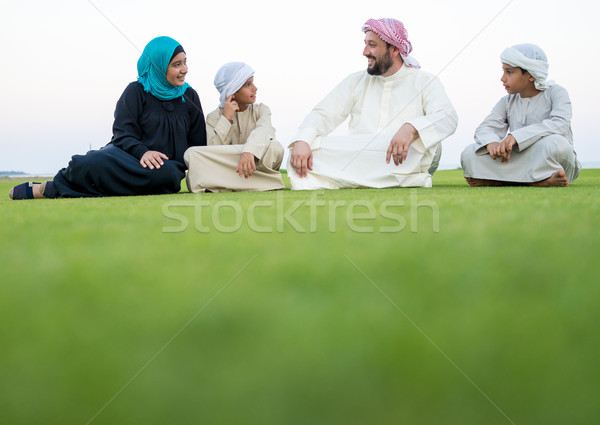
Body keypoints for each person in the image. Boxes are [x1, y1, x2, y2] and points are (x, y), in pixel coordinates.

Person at [9, 36, 206, 200]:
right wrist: (143, 153)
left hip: (163, 168)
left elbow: (198, 147)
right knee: (90, 161)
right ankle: (53, 186)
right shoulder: (135, 91)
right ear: (158, 66)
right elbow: (123, 133)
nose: (185, 69)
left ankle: (57, 189)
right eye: (177, 65)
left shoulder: (190, 97)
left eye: (185, 62)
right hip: (127, 158)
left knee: (168, 177)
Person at [288, 18, 458, 190]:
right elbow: (323, 113)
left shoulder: (424, 81)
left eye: (372, 45)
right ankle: (402, 180)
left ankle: (355, 179)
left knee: (420, 146)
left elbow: (448, 117)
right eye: (365, 44)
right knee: (301, 151)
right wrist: (302, 140)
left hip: (405, 157)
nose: (365, 52)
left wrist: (411, 128)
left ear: (394, 49)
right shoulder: (355, 81)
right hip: (362, 154)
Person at [461, 43, 580, 187]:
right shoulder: (507, 101)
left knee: (556, 144)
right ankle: (540, 181)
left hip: (546, 156)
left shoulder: (556, 92)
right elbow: (485, 128)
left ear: (530, 75)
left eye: (509, 72)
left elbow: (560, 124)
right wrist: (491, 142)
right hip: (516, 158)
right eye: (503, 71)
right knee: (469, 153)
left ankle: (496, 181)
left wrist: (516, 137)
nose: (502, 78)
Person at [184, 62, 284, 192]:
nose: (255, 88)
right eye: (248, 85)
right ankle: (266, 183)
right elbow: (214, 151)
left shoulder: (261, 110)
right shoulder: (213, 117)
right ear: (232, 91)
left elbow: (264, 131)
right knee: (191, 154)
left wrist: (249, 152)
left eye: (252, 83)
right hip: (228, 166)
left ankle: (221, 185)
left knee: (275, 147)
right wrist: (226, 118)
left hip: (255, 163)